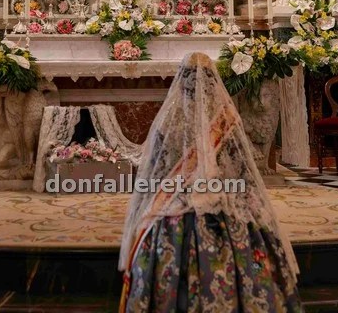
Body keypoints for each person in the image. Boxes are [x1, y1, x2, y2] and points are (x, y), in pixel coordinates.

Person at [119, 52, 302, 312]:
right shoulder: (228, 122)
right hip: (226, 204)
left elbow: (155, 173)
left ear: (181, 83)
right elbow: (243, 172)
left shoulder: (169, 121)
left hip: (177, 208)